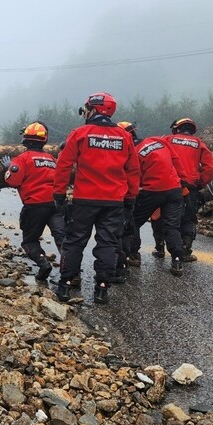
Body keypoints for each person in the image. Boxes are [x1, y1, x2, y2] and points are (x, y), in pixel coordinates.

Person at [53, 93, 139, 305]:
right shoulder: (124, 136)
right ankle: (102, 288)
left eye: (87, 109)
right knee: (108, 242)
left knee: (74, 240)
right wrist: (130, 197)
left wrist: (59, 193)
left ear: (94, 109)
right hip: (114, 201)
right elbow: (133, 170)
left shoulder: (80, 133)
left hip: (85, 199)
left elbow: (64, 164)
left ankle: (65, 284)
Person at [118, 121, 187, 276]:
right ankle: (177, 260)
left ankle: (133, 254)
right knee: (172, 226)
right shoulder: (158, 141)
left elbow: (134, 175)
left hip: (152, 191)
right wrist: (182, 179)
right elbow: (175, 159)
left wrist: (130, 194)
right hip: (174, 189)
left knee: (133, 221)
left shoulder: (132, 152)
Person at [2, 121, 65, 281]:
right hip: (55, 204)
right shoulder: (51, 158)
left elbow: (13, 181)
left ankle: (43, 263)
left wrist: (8, 167)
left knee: (30, 241)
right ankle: (71, 272)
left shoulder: (22, 158)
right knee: (62, 238)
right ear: (44, 140)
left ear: (25, 139)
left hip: (35, 206)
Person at [165, 118, 213, 262]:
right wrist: (201, 183)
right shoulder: (199, 143)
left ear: (176, 129)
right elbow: (210, 167)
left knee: (168, 218)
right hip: (190, 187)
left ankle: (161, 248)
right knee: (188, 218)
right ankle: (185, 250)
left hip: (168, 185)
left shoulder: (168, 140)